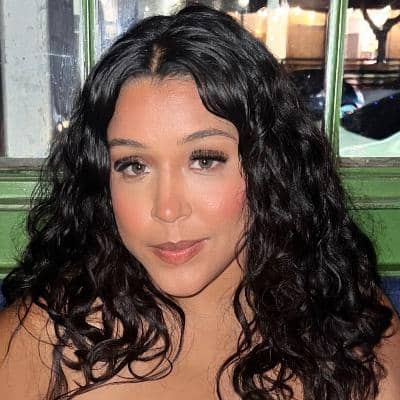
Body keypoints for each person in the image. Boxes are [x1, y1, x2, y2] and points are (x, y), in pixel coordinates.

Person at [0, 5, 399, 400]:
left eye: (204, 160)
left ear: (271, 166)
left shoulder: (347, 321)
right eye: (134, 165)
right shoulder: (43, 341)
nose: (167, 209)